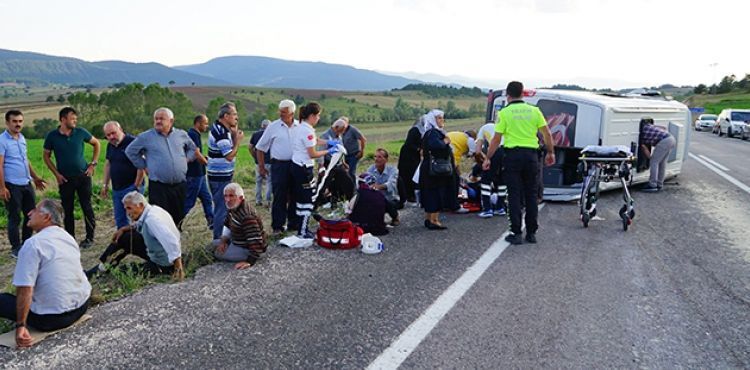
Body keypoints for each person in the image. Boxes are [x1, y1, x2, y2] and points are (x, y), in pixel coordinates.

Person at [0, 199, 91, 348]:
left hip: (51, 319)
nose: (29, 213)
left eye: (35, 210)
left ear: (46, 217)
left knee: (4, 300)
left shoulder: (33, 244)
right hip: (81, 307)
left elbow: (25, 288)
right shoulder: (68, 237)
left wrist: (21, 325)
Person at [484, 81, 555, 245]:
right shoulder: (534, 110)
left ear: (508, 95)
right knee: (531, 194)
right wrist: (550, 152)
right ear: (522, 93)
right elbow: (547, 134)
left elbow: (496, 138)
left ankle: (516, 232)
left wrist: (488, 157)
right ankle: (531, 233)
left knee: (514, 194)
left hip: (512, 157)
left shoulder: (505, 113)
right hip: (531, 157)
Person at [125, 107, 196, 228]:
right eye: (156, 119)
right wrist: (144, 166)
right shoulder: (146, 137)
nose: (158, 121)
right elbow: (130, 151)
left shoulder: (181, 134)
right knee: (160, 217)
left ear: (171, 121)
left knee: (179, 215)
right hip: (159, 187)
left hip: (180, 185)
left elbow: (192, 148)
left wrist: (187, 159)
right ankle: (161, 242)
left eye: (161, 119)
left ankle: (175, 238)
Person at [87, 191, 184, 279]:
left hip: (165, 263)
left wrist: (178, 267)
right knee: (125, 237)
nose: (128, 213)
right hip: (160, 252)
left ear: (140, 205)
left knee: (125, 272)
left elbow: (170, 241)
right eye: (125, 209)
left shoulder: (152, 220)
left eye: (129, 208)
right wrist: (123, 229)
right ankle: (103, 267)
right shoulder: (152, 210)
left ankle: (102, 272)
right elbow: (139, 224)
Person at [42, 107, 100, 248]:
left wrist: (92, 164)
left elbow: (96, 143)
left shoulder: (80, 132)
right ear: (63, 119)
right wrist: (56, 174)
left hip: (83, 176)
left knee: (87, 207)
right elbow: (46, 156)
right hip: (65, 179)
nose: (75, 121)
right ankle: (70, 239)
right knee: (67, 210)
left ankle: (90, 238)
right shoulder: (52, 136)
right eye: (72, 118)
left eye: (76, 118)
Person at [0, 110, 47, 258]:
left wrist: (35, 178)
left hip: (26, 183)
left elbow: (25, 161)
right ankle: (15, 248)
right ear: (7, 123)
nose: (18, 124)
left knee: (30, 215)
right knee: (15, 217)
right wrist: (2, 187)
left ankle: (27, 244)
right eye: (14, 121)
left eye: (20, 121)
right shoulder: (2, 140)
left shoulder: (22, 138)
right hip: (12, 185)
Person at [290, 102, 338, 238]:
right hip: (304, 168)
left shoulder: (302, 127)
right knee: (307, 199)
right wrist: (329, 151)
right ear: (311, 116)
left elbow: (314, 141)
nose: (319, 119)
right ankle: (303, 231)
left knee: (301, 198)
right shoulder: (307, 130)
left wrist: (328, 142)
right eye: (318, 116)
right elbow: (312, 153)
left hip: (297, 166)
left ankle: (300, 227)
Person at [254, 100, 300, 235]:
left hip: (296, 164)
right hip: (279, 165)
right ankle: (277, 226)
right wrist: (261, 167)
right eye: (280, 111)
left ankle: (293, 223)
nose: (281, 114)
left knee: (295, 194)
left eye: (284, 112)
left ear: (292, 113)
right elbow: (260, 148)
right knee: (279, 195)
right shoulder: (273, 127)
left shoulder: (300, 127)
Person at [207, 102, 244, 239]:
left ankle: (223, 237)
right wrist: (238, 140)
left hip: (221, 176)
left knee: (225, 208)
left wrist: (234, 135)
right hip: (219, 178)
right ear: (226, 116)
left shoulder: (222, 129)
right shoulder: (221, 133)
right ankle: (217, 241)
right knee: (221, 210)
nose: (237, 117)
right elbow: (229, 156)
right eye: (234, 114)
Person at [100, 121, 145, 230]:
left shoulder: (133, 142)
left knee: (135, 218)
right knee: (120, 219)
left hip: (131, 186)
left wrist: (136, 185)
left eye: (113, 133)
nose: (111, 137)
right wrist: (105, 185)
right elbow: (108, 164)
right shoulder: (110, 145)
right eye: (108, 135)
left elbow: (142, 164)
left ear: (120, 130)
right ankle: (125, 242)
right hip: (117, 189)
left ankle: (139, 242)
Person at [211, 183, 267, 270]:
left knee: (215, 253)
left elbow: (256, 239)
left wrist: (249, 261)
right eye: (225, 196)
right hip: (236, 241)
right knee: (211, 246)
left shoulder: (247, 216)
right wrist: (223, 241)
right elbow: (227, 224)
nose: (227, 199)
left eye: (231, 196)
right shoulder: (233, 207)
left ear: (240, 198)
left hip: (246, 249)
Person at [418, 109, 457, 230]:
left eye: (442, 118)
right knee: (436, 192)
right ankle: (434, 220)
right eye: (439, 118)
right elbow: (436, 146)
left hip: (430, 168)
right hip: (435, 170)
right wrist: (445, 141)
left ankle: (429, 218)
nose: (442, 120)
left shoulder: (428, 132)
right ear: (432, 120)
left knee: (429, 192)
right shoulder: (434, 133)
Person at [184, 114, 214, 229]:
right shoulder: (193, 134)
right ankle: (177, 222)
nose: (207, 126)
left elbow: (197, 153)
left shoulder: (195, 134)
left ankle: (211, 222)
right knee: (189, 202)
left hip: (200, 174)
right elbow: (196, 153)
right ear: (198, 123)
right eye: (205, 123)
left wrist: (203, 157)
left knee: (207, 199)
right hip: (194, 175)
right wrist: (207, 163)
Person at [475, 122, 506, 218]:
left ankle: (487, 209)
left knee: (486, 180)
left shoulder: (483, 128)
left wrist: (484, 160)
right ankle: (500, 208)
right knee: (502, 180)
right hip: (507, 152)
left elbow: (478, 151)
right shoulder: (501, 126)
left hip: (495, 151)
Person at [639, 117, 676, 192]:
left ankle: (652, 185)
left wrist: (650, 159)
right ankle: (659, 184)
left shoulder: (641, 136)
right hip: (671, 138)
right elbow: (664, 127)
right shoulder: (649, 126)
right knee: (662, 163)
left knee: (654, 162)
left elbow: (644, 149)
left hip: (664, 141)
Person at [366, 148, 400, 226]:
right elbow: (368, 182)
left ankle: (395, 217)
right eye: (375, 157)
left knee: (388, 202)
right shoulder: (370, 169)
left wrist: (378, 187)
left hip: (391, 198)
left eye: (379, 157)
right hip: (376, 197)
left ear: (386, 159)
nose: (376, 159)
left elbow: (391, 183)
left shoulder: (393, 170)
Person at [397, 117, 425, 204]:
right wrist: (418, 149)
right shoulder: (414, 130)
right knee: (408, 175)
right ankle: (408, 195)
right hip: (407, 156)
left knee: (414, 174)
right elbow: (409, 144)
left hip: (414, 156)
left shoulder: (422, 131)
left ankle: (412, 194)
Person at [249, 119, 273, 207]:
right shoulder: (271, 135)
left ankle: (258, 200)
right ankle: (268, 201)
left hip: (258, 163)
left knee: (258, 182)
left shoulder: (255, 135)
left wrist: (255, 157)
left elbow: (250, 147)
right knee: (269, 181)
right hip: (270, 162)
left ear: (261, 125)